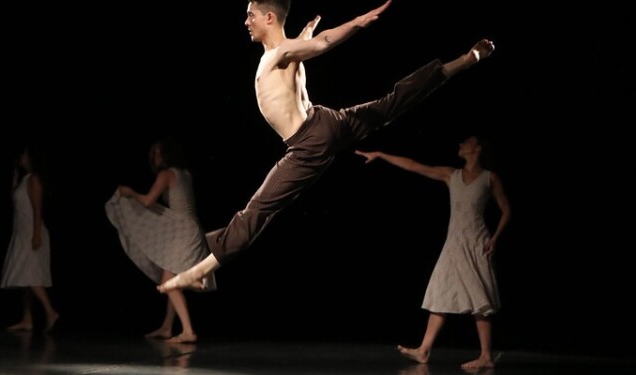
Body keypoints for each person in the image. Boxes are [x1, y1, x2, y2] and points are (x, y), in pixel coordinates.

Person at [158, 0, 496, 293]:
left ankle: (197, 273)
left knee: (257, 210)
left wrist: (356, 23)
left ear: (269, 18)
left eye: (251, 15)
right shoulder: (287, 51)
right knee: (390, 104)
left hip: (309, 142)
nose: (246, 22)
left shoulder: (279, 54)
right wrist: (306, 35)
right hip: (329, 123)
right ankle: (463, 61)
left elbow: (322, 44)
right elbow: (307, 45)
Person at [354, 135, 511, 369]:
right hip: (453, 243)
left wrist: (495, 239)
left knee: (480, 297)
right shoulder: (451, 175)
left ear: (477, 149)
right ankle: (424, 349)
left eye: (466, 142)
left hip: (477, 242)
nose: (460, 144)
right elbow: (415, 166)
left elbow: (507, 210)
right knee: (441, 291)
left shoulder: (489, 178)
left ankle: (486, 356)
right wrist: (381, 155)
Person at [105, 138, 217, 344]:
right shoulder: (185, 174)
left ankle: (188, 330)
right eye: (153, 153)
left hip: (183, 230)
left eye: (158, 153)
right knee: (172, 277)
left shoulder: (167, 174)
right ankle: (167, 326)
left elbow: (148, 201)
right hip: (191, 228)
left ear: (167, 154)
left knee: (168, 280)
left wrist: (130, 193)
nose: (154, 157)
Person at [0, 145, 60, 332]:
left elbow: (37, 209)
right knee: (24, 277)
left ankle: (51, 312)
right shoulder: (23, 180)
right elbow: (14, 197)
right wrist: (15, 172)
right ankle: (27, 319)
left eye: (25, 155)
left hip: (32, 232)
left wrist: (36, 234)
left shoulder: (34, 179)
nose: (22, 157)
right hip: (21, 232)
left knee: (30, 275)